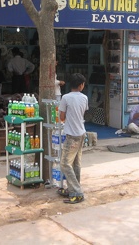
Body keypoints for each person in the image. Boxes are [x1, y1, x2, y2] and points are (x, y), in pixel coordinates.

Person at [58, 73, 88, 204]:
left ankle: (76, 191)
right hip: (81, 133)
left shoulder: (65, 98)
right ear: (81, 85)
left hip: (71, 135)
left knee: (65, 163)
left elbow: (62, 117)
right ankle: (73, 189)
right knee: (76, 163)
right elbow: (82, 112)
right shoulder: (84, 98)